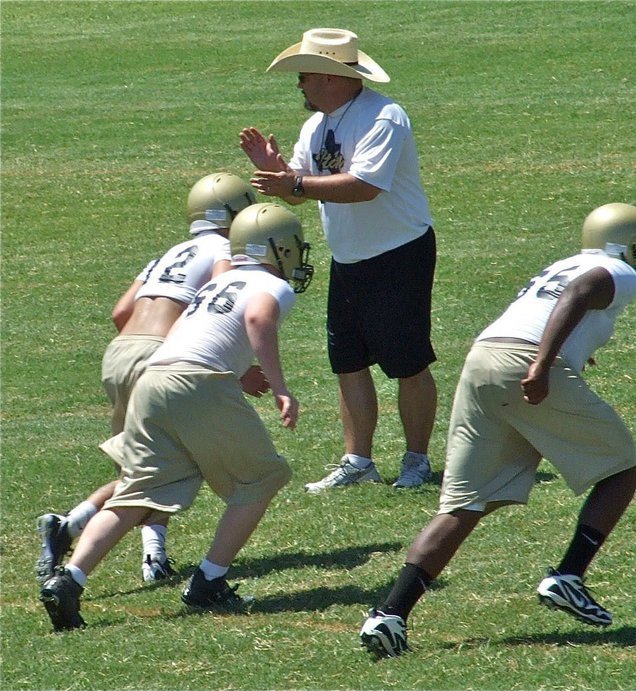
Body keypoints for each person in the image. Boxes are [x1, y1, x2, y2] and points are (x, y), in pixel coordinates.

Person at [358, 203, 636, 657]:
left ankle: (390, 615)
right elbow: (580, 293)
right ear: (628, 245)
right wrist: (542, 364)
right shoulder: (614, 269)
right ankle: (569, 576)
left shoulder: (565, 261)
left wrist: (565, 352)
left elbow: (550, 306)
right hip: (525, 365)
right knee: (622, 469)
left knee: (463, 504)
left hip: (484, 358)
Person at [39, 202, 315, 632]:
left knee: (137, 491)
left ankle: (68, 579)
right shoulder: (270, 284)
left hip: (155, 377)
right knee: (262, 478)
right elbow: (258, 317)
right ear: (278, 248)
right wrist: (280, 387)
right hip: (198, 382)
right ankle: (209, 579)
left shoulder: (218, 282)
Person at [239, 28, 437, 492]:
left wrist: (295, 185)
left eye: (306, 76)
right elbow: (304, 189)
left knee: (407, 363)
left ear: (332, 77)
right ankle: (358, 461)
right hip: (350, 258)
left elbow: (364, 186)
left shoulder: (383, 117)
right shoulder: (317, 124)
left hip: (399, 254)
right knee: (347, 361)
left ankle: (417, 460)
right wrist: (278, 172)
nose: (300, 86)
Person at [35, 172, 256, 585]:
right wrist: (237, 370)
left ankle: (143, 553)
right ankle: (76, 529)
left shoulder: (170, 253)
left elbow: (121, 312)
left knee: (141, 466)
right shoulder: (224, 248)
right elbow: (219, 305)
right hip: (162, 356)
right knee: (167, 464)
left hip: (120, 353)